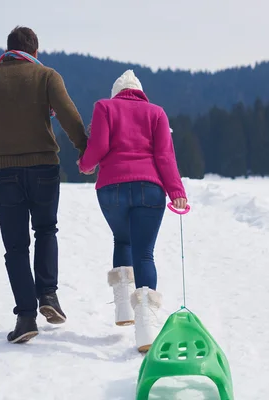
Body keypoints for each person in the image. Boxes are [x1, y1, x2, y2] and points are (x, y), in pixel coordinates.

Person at [0, 26, 89, 343]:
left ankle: (26, 317)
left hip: (4, 173)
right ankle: (49, 296)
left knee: (15, 246)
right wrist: (85, 149)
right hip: (44, 167)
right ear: (34, 52)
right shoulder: (47, 76)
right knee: (46, 230)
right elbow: (70, 116)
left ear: (8, 49)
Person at [78, 69, 188, 353]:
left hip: (111, 190)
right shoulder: (157, 113)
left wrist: (86, 164)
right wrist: (176, 191)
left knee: (122, 239)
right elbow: (165, 155)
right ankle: (146, 329)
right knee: (144, 253)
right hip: (150, 189)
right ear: (140, 92)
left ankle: (123, 310)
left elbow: (99, 145)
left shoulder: (104, 107)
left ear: (117, 93)